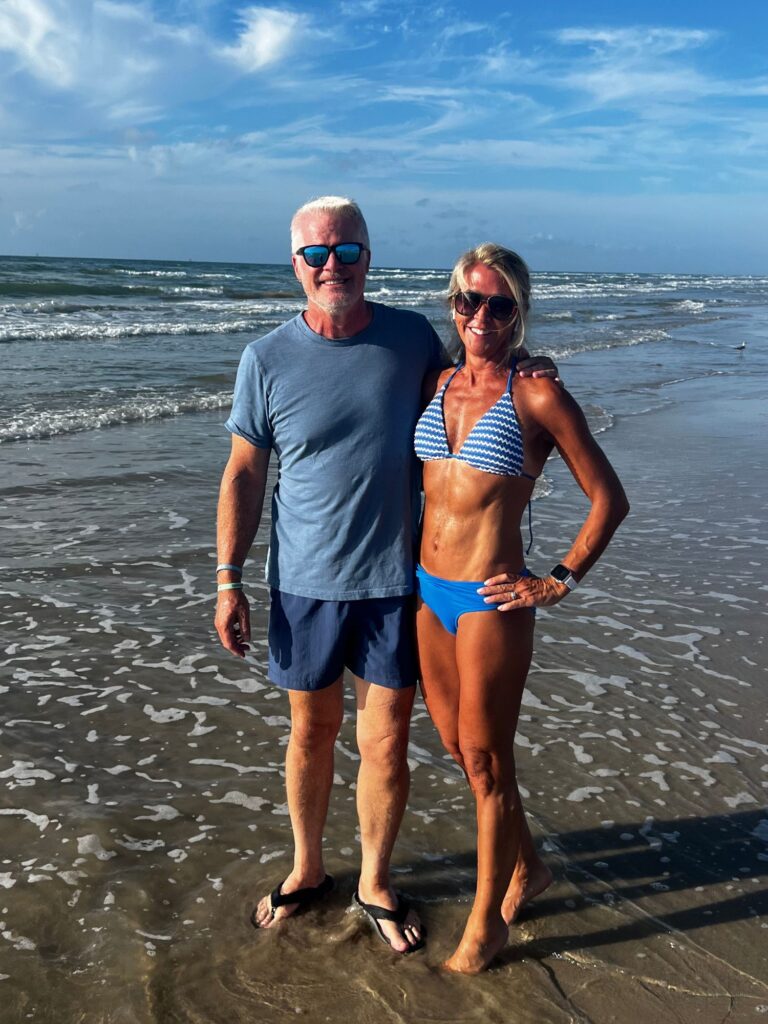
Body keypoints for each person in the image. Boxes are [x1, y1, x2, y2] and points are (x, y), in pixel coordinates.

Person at [214, 199, 558, 954]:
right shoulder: (264, 358)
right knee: (311, 731)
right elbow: (244, 471)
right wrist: (227, 578)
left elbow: (476, 377)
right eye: (316, 254)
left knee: (388, 742)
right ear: (296, 263)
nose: (331, 265)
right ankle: (308, 870)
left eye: (347, 251)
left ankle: (373, 881)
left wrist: (532, 366)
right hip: (303, 582)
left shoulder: (410, 338)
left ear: (369, 256)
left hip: (396, 583)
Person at [414, 242, 629, 973]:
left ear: (518, 313)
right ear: (452, 306)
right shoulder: (436, 381)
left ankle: (486, 926)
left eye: (498, 304)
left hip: (489, 598)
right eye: (468, 301)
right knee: (459, 748)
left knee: (486, 759)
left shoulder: (535, 393)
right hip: (427, 593)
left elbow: (610, 497)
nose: (480, 315)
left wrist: (560, 578)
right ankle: (529, 868)